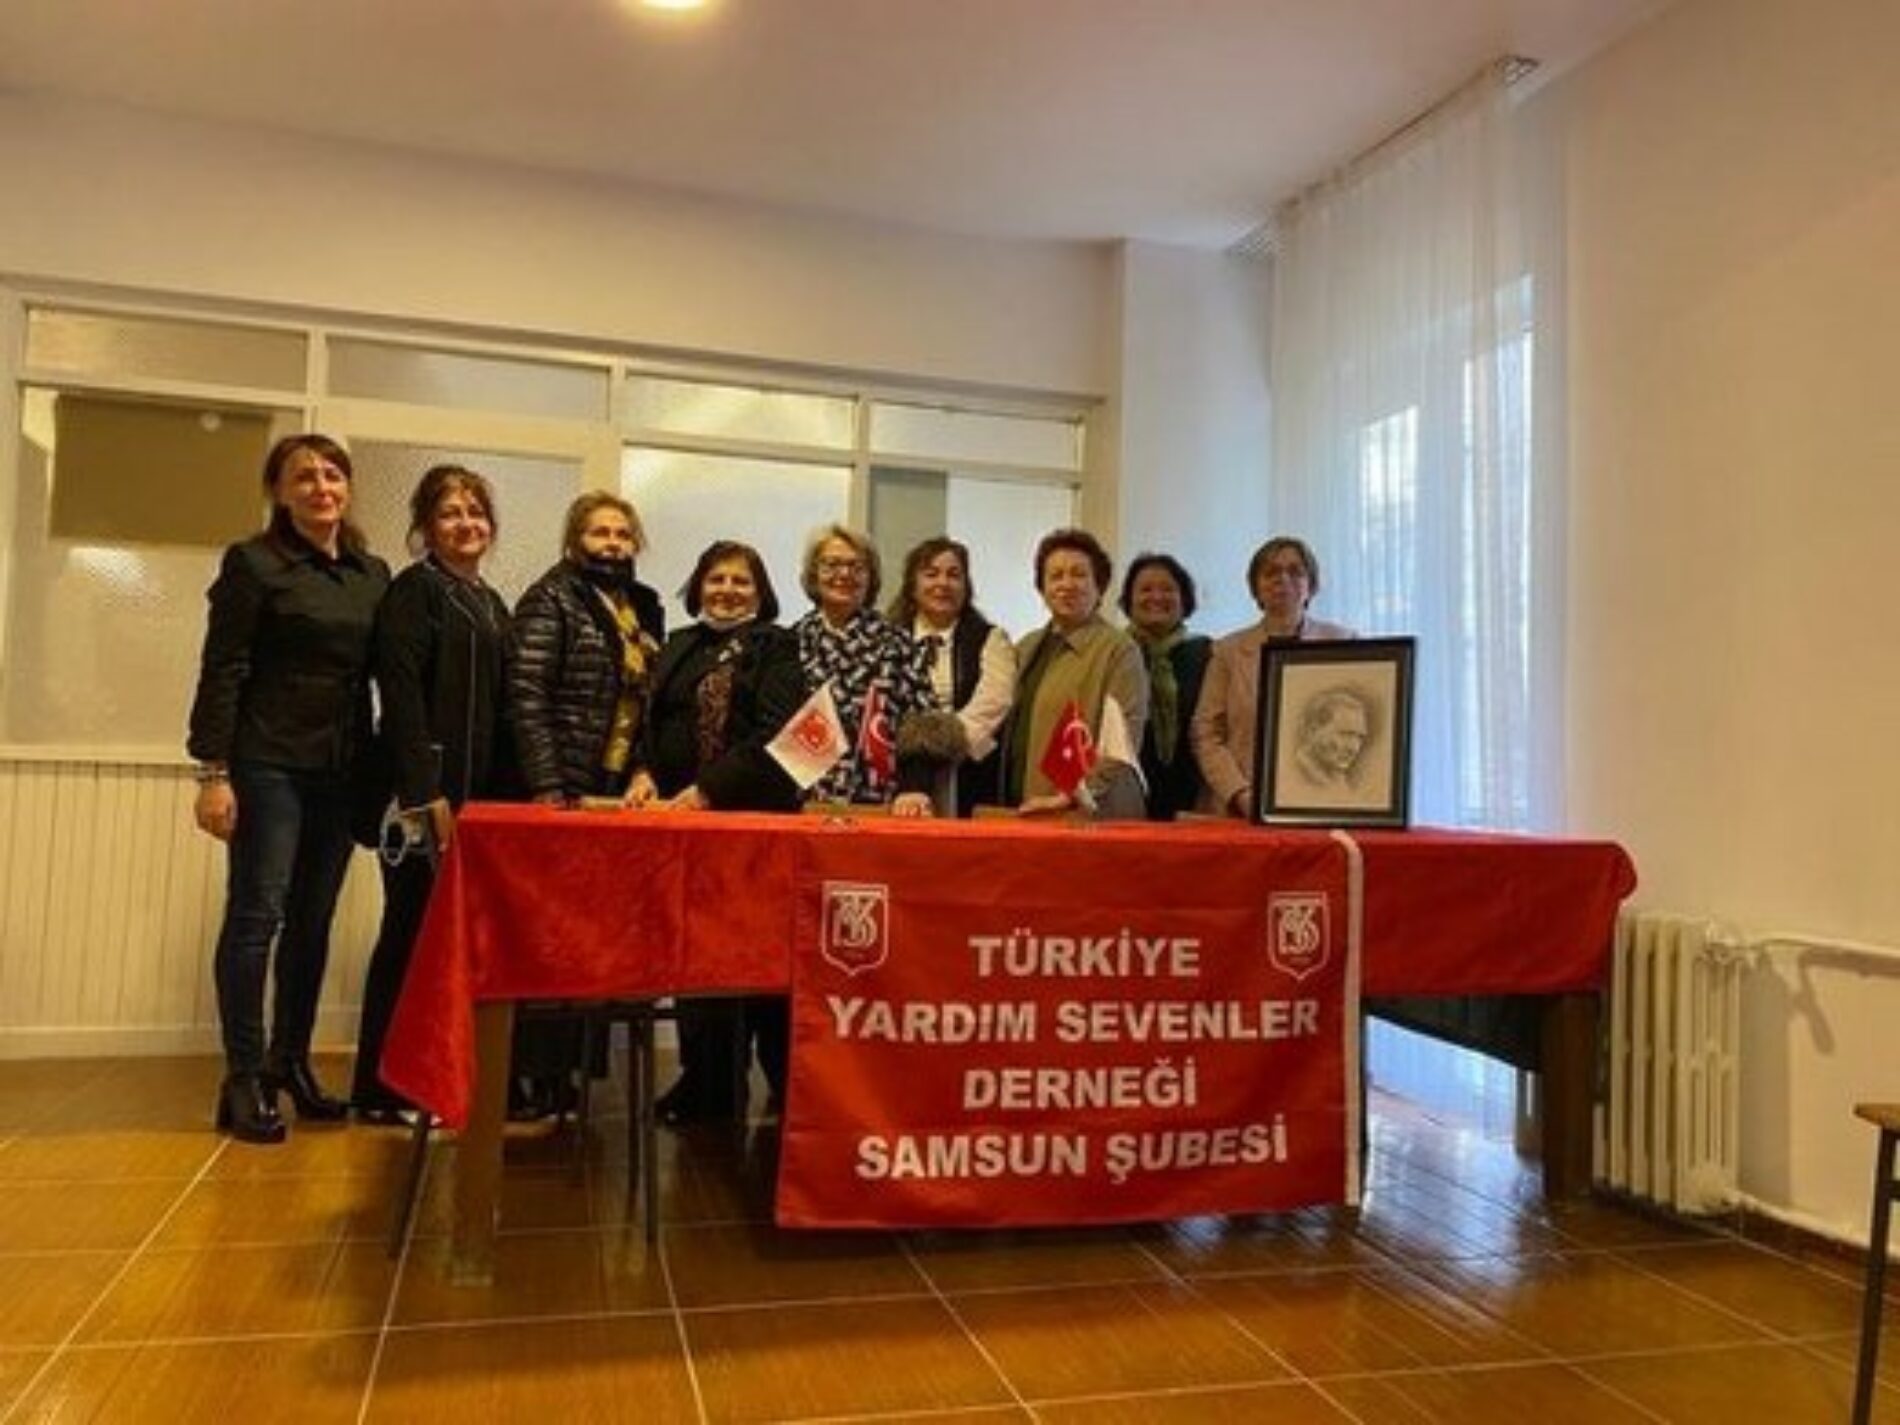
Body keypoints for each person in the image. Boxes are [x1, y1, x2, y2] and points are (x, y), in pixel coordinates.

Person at [187, 433, 390, 1144]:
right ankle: (244, 1077)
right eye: (303, 476)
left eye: (332, 474)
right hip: (267, 763)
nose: (321, 487)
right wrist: (213, 772)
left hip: (342, 770)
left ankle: (290, 1062)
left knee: (312, 921)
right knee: (257, 916)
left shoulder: (371, 572)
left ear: (348, 487)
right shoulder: (253, 563)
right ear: (278, 491)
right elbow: (222, 668)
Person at [351, 465, 516, 1125]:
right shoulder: (413, 592)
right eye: (450, 513)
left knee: (446, 945)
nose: (465, 524)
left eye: (475, 512)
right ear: (425, 526)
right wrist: (423, 793)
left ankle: (433, 1078)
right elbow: (400, 697)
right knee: (409, 937)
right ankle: (379, 1087)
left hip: (476, 803)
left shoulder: (490, 602)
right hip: (420, 803)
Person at [628, 541, 806, 1123]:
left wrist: (709, 790)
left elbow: (778, 735)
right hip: (685, 829)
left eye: (741, 581)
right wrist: (644, 771)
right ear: (698, 585)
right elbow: (653, 723)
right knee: (696, 957)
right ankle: (706, 1081)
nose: (727, 590)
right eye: (717, 579)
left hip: (751, 829)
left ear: (761, 593)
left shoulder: (776, 646)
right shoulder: (678, 644)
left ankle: (779, 1084)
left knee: (753, 960)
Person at [507, 490, 664, 1113]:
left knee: (592, 939)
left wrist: (644, 767)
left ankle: (568, 1074)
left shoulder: (637, 607)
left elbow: (644, 702)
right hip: (563, 790)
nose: (613, 544)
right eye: (600, 533)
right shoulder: (551, 599)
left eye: (623, 534)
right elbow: (526, 696)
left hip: (614, 792)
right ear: (575, 541)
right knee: (547, 939)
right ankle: (528, 1078)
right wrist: (548, 789)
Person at [1191, 535, 1355, 819]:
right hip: (1243, 807)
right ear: (1256, 587)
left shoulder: (1344, 643)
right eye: (1271, 572)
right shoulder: (1227, 651)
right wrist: (1239, 792)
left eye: (1295, 571)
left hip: (1325, 801)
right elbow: (1205, 733)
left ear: (1311, 585)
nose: (1283, 578)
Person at [998, 528, 1149, 820]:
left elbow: (1123, 740)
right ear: (1042, 588)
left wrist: (1076, 792)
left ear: (1099, 586)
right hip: (1027, 806)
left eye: (1079, 574)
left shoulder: (1118, 650)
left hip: (1090, 813)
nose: (1066, 584)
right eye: (1055, 576)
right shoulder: (1026, 647)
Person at [792, 524, 939, 815]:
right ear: (813, 575)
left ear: (871, 578)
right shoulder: (789, 643)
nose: (844, 574)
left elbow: (923, 723)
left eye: (857, 567)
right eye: (832, 564)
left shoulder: (897, 643)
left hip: (884, 801)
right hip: (803, 799)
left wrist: (915, 787)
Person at [886, 536, 1016, 815]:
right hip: (899, 774)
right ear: (912, 585)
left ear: (966, 586)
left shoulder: (991, 639)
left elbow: (994, 703)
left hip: (966, 768)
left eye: (954, 575)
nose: (942, 583)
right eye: (931, 574)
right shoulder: (887, 639)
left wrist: (938, 745)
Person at [1118, 553, 1211, 821]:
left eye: (1168, 589)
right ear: (1129, 600)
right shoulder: (1115, 653)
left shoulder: (1206, 653)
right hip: (1125, 793)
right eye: (1145, 589)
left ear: (1184, 599)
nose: (1156, 597)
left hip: (1193, 798)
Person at [1291, 686, 1374, 794]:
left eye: (1360, 737)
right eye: (1345, 734)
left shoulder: (1340, 782)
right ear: (1313, 730)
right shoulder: (1295, 773)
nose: (1354, 748)